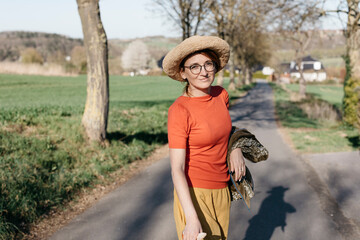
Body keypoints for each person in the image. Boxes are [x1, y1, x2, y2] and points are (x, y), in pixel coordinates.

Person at [163, 35, 246, 240]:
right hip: (194, 193)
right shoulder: (179, 110)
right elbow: (177, 169)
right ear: (183, 72)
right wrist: (191, 217)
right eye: (195, 67)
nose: (204, 71)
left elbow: (224, 129)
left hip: (222, 189)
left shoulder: (221, 95)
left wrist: (235, 147)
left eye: (208, 64)